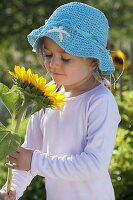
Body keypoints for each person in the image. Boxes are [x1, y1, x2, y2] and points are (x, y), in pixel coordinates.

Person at [0, 2, 121, 200]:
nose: (53, 64)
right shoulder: (46, 95)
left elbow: (94, 164)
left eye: (65, 59)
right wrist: (12, 189)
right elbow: (28, 154)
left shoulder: (100, 102)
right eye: (48, 55)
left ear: (92, 61)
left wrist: (35, 162)